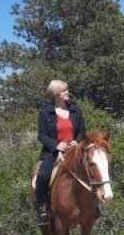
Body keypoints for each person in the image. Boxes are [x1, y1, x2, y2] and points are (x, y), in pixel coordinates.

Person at [34, 79, 86, 225]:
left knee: (92, 170)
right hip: (54, 153)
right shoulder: (45, 113)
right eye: (64, 90)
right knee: (43, 176)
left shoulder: (76, 111)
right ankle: (43, 209)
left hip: (75, 152)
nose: (67, 92)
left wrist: (77, 141)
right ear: (56, 93)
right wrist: (57, 145)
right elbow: (42, 135)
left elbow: (82, 131)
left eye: (67, 90)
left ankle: (93, 207)